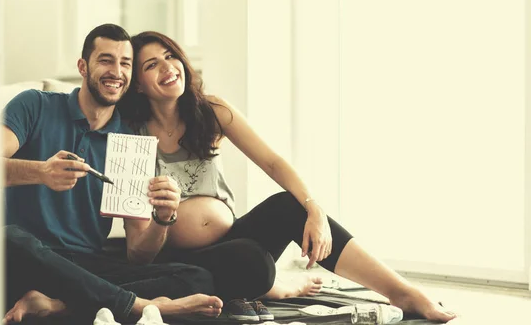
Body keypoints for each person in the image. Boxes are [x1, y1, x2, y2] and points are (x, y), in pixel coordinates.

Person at [116, 30, 458, 323]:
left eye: (170, 56)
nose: (168, 67)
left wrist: (315, 210)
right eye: (151, 65)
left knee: (287, 206)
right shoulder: (131, 138)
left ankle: (402, 291)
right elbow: (137, 253)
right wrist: (164, 218)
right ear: (139, 86)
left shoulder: (211, 112)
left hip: (233, 238)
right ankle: (273, 286)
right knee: (250, 262)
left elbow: (273, 163)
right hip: (178, 259)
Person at [2, 24, 222, 324]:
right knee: (6, 238)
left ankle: (58, 306)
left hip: (84, 266)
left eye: (125, 63)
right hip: (26, 260)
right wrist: (41, 172)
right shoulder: (34, 105)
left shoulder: (130, 141)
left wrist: (162, 218)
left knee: (196, 278)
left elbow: (137, 254)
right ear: (83, 66)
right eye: (106, 60)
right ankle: (140, 306)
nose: (116, 71)